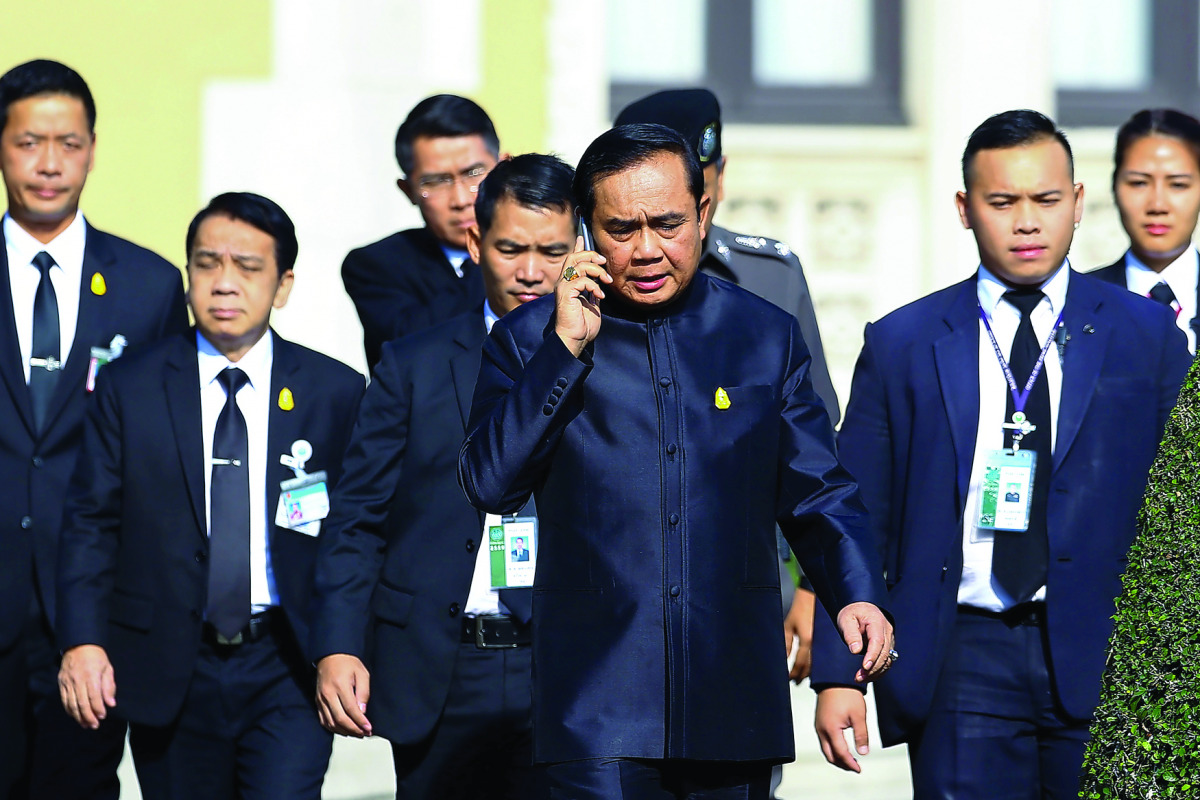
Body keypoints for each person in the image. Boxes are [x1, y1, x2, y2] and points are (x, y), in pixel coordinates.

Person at [459, 123, 893, 799]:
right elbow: (491, 483)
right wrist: (563, 351)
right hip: (595, 711)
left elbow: (817, 490)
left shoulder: (764, 336)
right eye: (621, 229)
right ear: (587, 230)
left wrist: (857, 592)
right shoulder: (529, 341)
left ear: (703, 212)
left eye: (667, 224)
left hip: (733, 699)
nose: (646, 250)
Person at [810, 110, 1191, 798]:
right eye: (1002, 201)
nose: (1027, 222)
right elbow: (854, 513)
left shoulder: (1147, 335)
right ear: (965, 208)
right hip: (961, 654)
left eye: (1046, 200)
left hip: (1114, 650)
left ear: (1078, 202)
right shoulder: (903, 341)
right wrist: (839, 674)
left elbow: (1181, 513)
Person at [55, 192, 365, 800]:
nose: (225, 283)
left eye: (247, 266)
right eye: (207, 263)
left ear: (283, 285)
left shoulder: (333, 391)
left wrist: (343, 645)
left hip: (286, 663)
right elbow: (90, 521)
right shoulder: (132, 386)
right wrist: (83, 640)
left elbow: (354, 532)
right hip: (170, 661)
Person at [312, 154, 572, 799]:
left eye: (552, 251)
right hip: (441, 664)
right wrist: (339, 645)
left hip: (566, 664)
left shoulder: (611, 360)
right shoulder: (412, 365)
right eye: (511, 249)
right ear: (476, 243)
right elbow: (358, 517)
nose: (531, 271)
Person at [0, 58, 189, 799]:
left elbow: (165, 455)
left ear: (93, 149)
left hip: (95, 614)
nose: (49, 164)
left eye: (69, 143)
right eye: (29, 142)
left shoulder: (149, 285)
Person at [342, 94, 503, 370]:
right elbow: (417, 349)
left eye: (474, 173)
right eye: (436, 182)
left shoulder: (552, 249)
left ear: (504, 169)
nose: (461, 199)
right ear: (408, 191)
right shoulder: (376, 266)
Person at [1091, 108, 1200, 354]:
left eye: (1178, 185)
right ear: (1114, 187)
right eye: (1139, 183)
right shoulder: (1073, 302)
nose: (1157, 205)